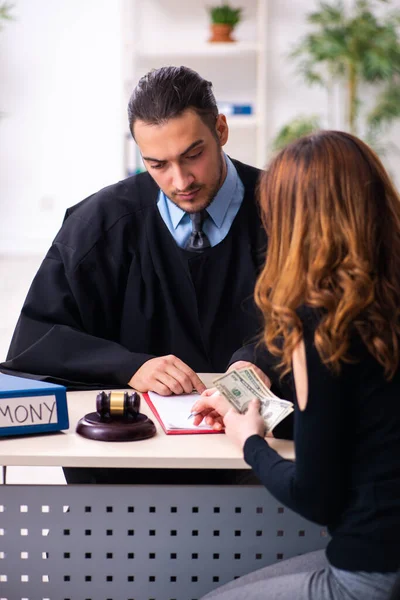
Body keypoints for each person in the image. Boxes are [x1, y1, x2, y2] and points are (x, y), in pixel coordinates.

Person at [0, 66, 286, 484]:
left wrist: (259, 360)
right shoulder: (100, 224)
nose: (180, 180)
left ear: (221, 130)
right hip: (131, 470)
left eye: (194, 155)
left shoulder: (286, 213)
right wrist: (128, 366)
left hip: (259, 460)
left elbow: (333, 319)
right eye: (157, 164)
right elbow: (37, 340)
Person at [192, 131, 400, 599]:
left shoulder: (324, 330)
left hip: (368, 573)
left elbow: (316, 497)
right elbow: (367, 428)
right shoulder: (386, 304)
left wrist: (250, 441)